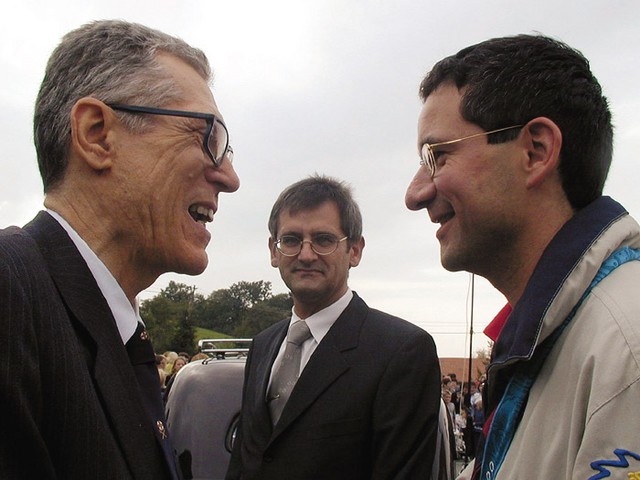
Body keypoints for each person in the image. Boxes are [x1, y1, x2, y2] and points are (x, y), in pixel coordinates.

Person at [0, 19, 239, 480]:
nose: (230, 177)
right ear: (96, 134)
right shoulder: (11, 296)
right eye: (209, 138)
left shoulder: (109, 329)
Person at [405, 34, 640, 479]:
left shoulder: (625, 350)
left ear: (535, 152)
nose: (414, 194)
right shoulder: (563, 337)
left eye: (436, 155)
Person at [227, 175, 442, 479]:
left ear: (354, 250)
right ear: (273, 251)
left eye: (323, 240)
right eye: (290, 240)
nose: (305, 254)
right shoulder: (262, 345)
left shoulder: (402, 352)